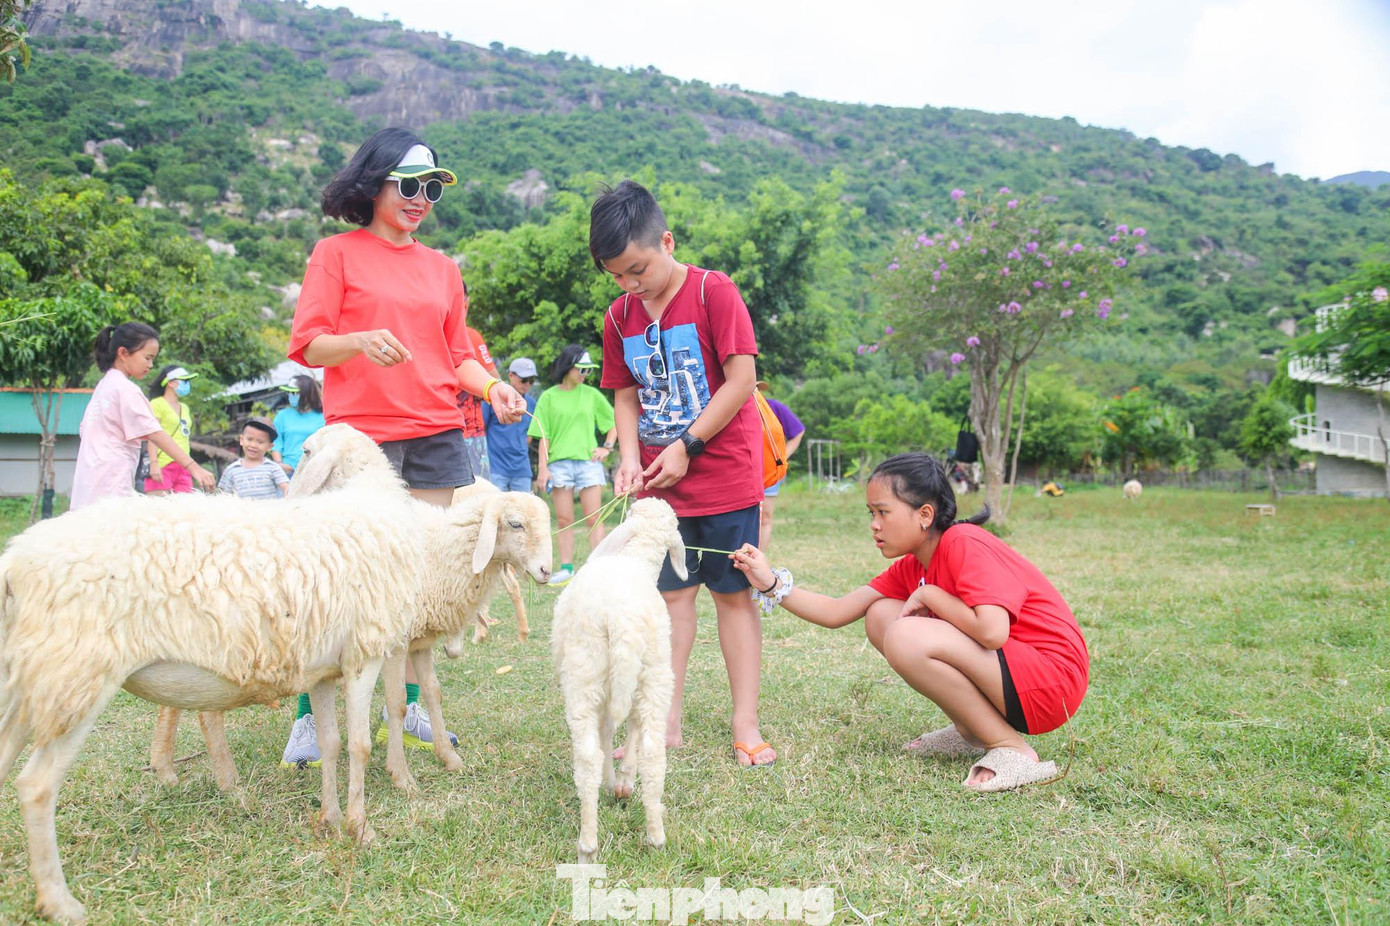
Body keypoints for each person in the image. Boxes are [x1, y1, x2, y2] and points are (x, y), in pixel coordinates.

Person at [282, 127, 526, 768]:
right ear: (374, 183)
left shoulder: (443, 268)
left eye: (431, 189)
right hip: (361, 439)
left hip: (437, 434)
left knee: (418, 576)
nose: (420, 199)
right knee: (345, 580)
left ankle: (409, 703)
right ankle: (312, 718)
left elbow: (456, 355)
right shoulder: (336, 253)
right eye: (408, 186)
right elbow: (309, 344)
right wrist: (360, 340)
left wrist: (494, 386)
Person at [731, 452, 1089, 792]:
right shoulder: (914, 564)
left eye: (883, 512)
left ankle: (1012, 749)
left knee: (904, 634)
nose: (874, 525)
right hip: (1013, 677)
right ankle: (972, 732)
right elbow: (837, 611)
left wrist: (931, 596)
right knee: (881, 615)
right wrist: (770, 582)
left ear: (925, 515)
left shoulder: (965, 542)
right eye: (871, 512)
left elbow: (993, 632)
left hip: (1050, 683)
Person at [592, 180, 775, 767]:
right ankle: (662, 726)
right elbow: (623, 394)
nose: (629, 284)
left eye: (637, 269)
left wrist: (687, 445)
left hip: (721, 475)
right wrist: (628, 456)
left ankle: (744, 723)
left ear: (666, 241)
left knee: (734, 597)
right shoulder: (618, 316)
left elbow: (741, 380)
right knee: (671, 602)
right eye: (616, 275)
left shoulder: (712, 292)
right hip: (660, 486)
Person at [70, 322, 214, 511]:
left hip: (89, 475)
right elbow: (155, 432)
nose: (150, 365)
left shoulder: (104, 386)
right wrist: (194, 467)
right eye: (147, 358)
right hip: (111, 477)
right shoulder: (126, 390)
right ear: (123, 353)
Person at [528, 345, 616, 585]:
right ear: (568, 367)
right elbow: (543, 436)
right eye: (582, 369)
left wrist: (607, 447)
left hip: (588, 464)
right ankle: (567, 570)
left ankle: (598, 568)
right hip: (559, 465)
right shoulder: (548, 397)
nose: (585, 374)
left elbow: (614, 422)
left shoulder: (591, 394)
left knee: (594, 518)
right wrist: (543, 469)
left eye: (588, 370)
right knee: (565, 519)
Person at [755, 380, 805, 551]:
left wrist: (782, 456)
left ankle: (758, 559)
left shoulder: (773, 407)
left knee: (765, 517)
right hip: (742, 471)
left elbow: (798, 431)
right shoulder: (733, 408)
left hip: (769, 470)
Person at [483, 356, 539, 492]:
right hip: (496, 467)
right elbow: (482, 429)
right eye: (524, 379)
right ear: (511, 376)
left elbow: (529, 436)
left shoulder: (531, 403)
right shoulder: (493, 399)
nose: (527, 384)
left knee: (523, 510)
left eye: (531, 381)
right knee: (495, 509)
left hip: (522, 468)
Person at [143, 364, 200, 497]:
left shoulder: (184, 407)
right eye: (185, 381)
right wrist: (154, 463)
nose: (188, 384)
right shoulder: (157, 404)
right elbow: (153, 435)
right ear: (171, 383)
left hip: (183, 465)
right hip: (163, 463)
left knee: (184, 510)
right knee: (158, 509)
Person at [458, 324, 499, 481]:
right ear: (466, 304)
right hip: (469, 432)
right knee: (477, 494)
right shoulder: (469, 335)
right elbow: (492, 376)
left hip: (431, 428)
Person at [218, 418, 290, 499]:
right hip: (241, 511)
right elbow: (223, 496)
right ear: (241, 440)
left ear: (269, 447)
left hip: (268, 510)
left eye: (260, 442)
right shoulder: (231, 470)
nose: (253, 445)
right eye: (249, 439)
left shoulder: (273, 468)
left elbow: (286, 488)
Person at [270, 374, 326, 475]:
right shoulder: (282, 415)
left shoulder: (323, 416)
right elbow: (276, 443)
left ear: (307, 394)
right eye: (288, 392)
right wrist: (279, 464)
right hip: (288, 470)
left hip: (315, 470)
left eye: (294, 393)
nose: (290, 395)